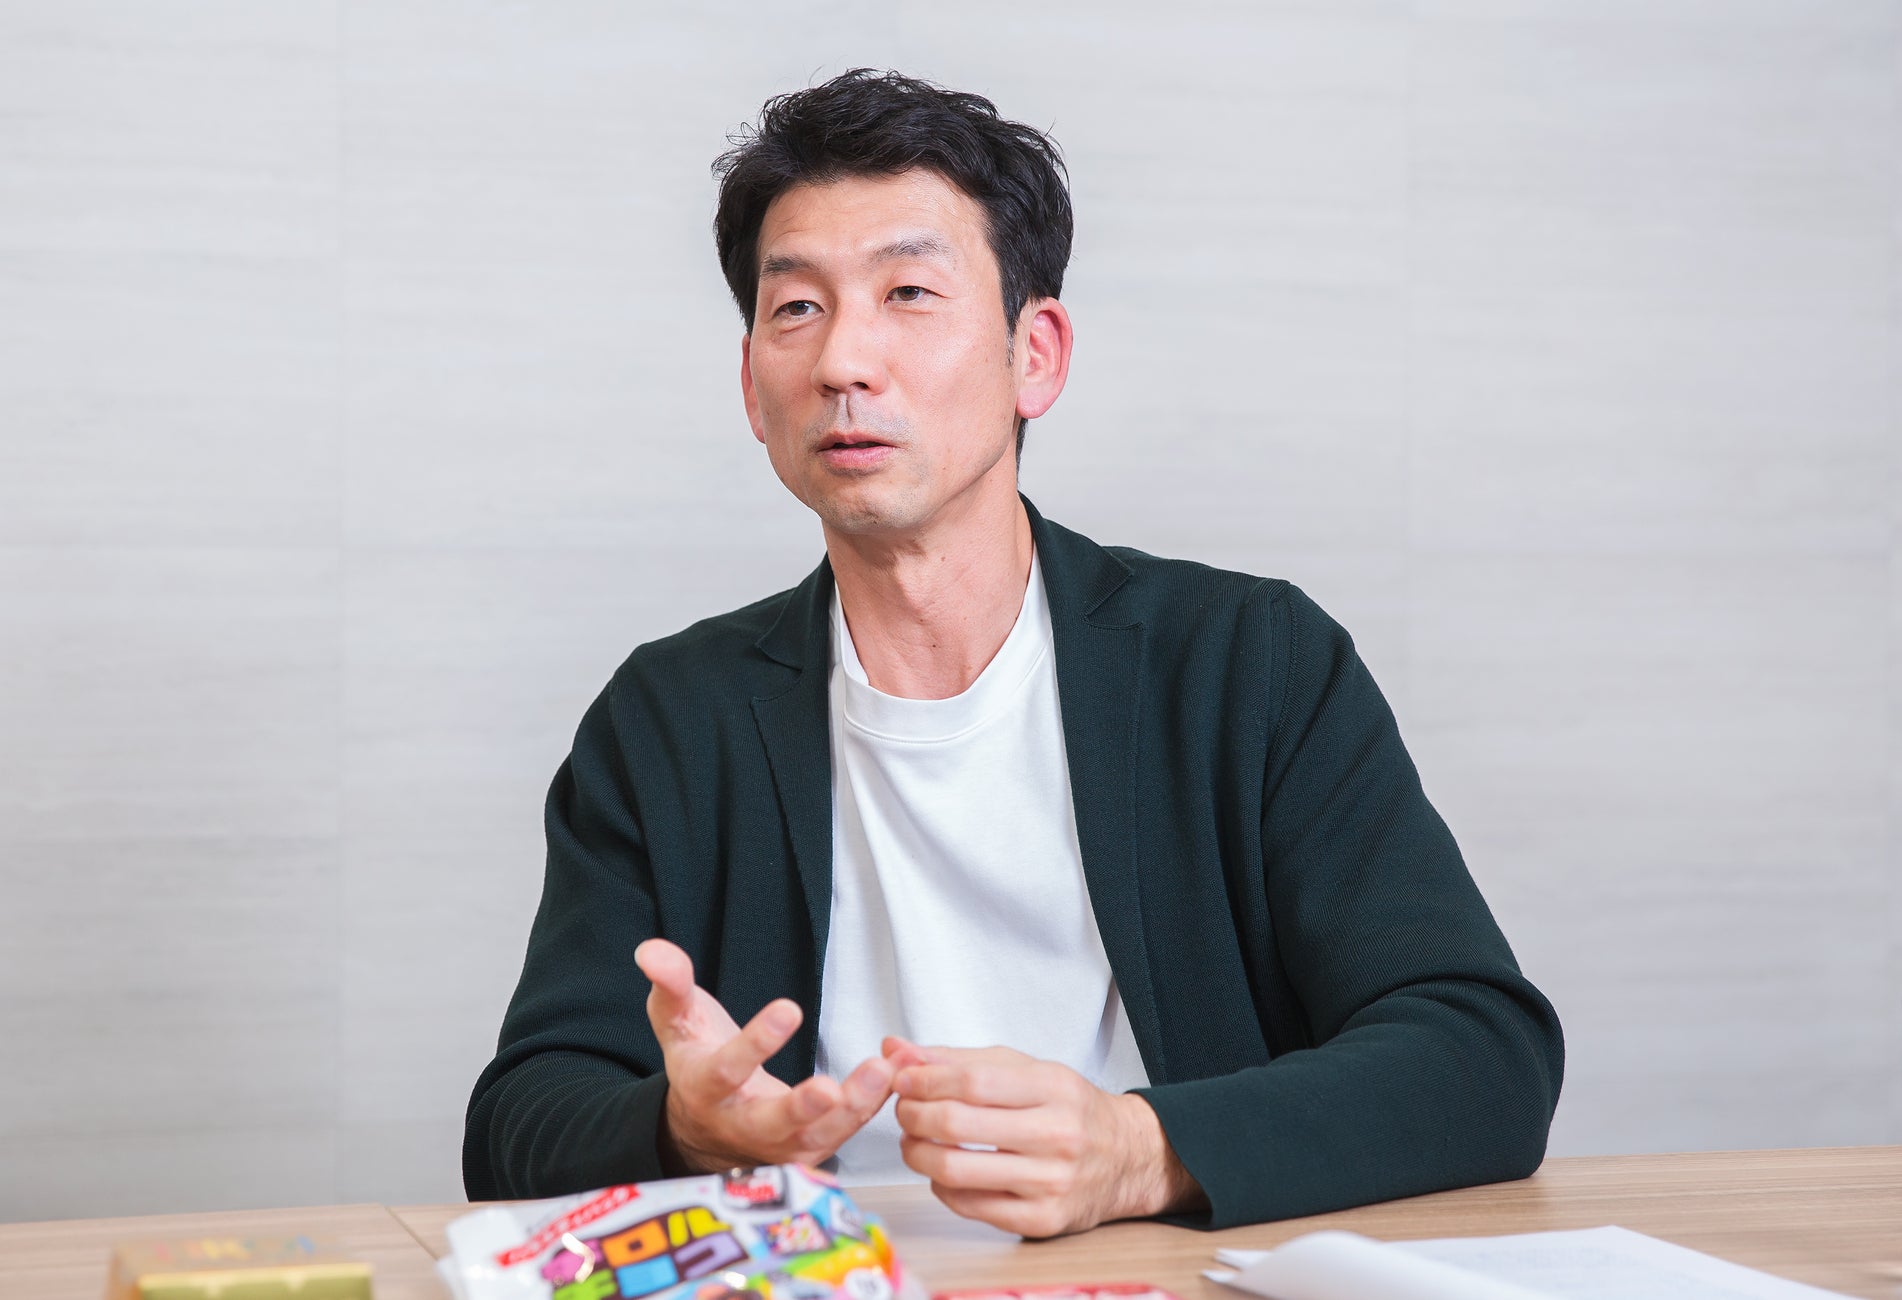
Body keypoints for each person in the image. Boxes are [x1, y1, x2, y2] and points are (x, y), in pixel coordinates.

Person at [464, 68, 1563, 1238]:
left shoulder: (1249, 664)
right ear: (752, 387)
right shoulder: (669, 718)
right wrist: (686, 1129)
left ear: (1034, 353)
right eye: (797, 309)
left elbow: (1482, 1052)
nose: (843, 361)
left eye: (909, 293)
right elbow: (518, 1120)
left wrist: (1144, 1151)